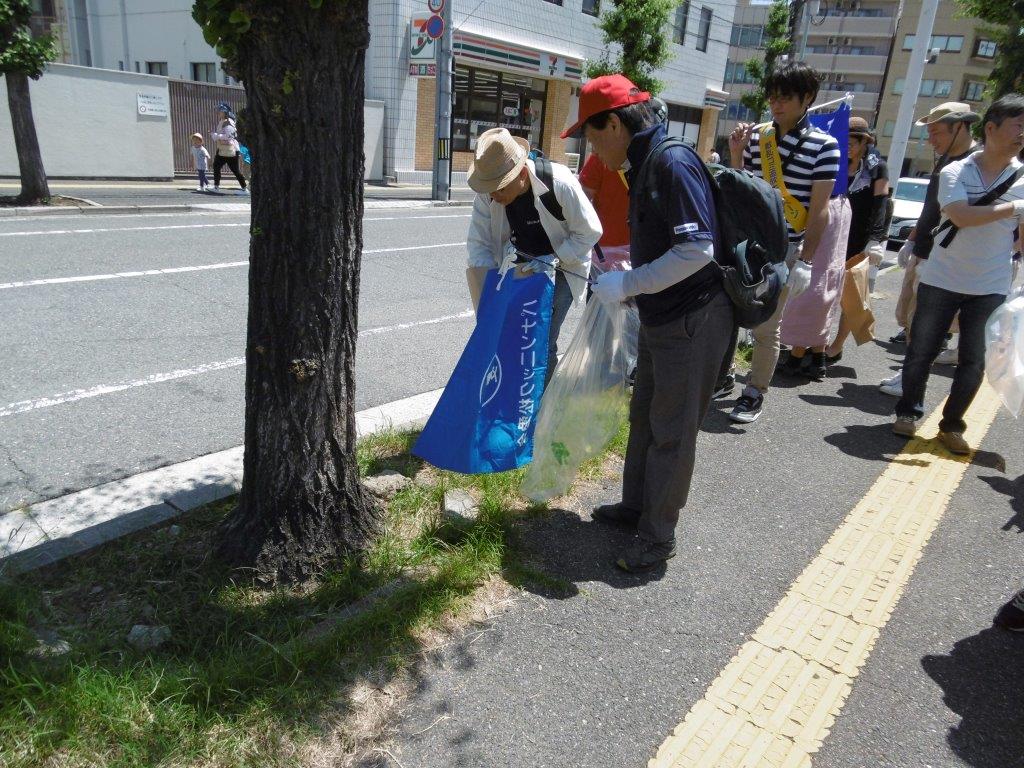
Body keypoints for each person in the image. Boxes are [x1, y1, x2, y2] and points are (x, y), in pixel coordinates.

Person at [571, 74, 734, 572]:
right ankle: (636, 507)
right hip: (663, 315)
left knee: (672, 431)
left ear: (614, 124)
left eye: (592, 137)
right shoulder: (645, 161)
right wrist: (631, 282)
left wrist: (630, 282)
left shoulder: (671, 162)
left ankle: (658, 537)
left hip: (693, 318)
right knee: (644, 416)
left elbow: (697, 249)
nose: (592, 150)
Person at [892, 94, 1024, 454]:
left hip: (991, 285)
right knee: (921, 350)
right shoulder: (956, 171)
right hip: (942, 278)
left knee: (973, 360)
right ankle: (907, 412)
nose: (1022, 134)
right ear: (991, 128)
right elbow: (961, 215)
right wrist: (1014, 207)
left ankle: (952, 426)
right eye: (1018, 126)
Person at [726, 62, 842, 421]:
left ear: (807, 98)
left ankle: (754, 390)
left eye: (785, 98)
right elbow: (741, 187)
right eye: (773, 98)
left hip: (786, 248)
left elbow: (820, 210)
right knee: (730, 313)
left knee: (767, 324)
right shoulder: (757, 137)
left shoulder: (825, 146)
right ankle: (723, 375)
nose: (776, 105)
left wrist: (806, 260)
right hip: (748, 243)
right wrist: (736, 152)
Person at [465, 127, 601, 381]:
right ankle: (515, 391)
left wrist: (556, 258)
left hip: (564, 266)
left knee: (542, 339)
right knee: (513, 333)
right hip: (520, 264)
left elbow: (589, 231)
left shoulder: (559, 183)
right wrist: (488, 292)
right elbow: (479, 245)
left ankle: (540, 398)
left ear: (522, 173)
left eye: (500, 188)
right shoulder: (488, 193)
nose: (494, 194)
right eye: (490, 188)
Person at [880, 102, 981, 397]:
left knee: (926, 323)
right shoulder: (946, 158)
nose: (931, 140)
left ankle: (912, 382)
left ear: (959, 127)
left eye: (936, 132)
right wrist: (912, 239)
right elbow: (931, 208)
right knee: (912, 318)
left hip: (944, 257)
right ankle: (909, 373)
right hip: (924, 250)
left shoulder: (975, 164)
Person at [824, 117, 889, 364]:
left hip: (861, 239)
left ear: (865, 142)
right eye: (844, 142)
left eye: (851, 143)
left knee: (851, 296)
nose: (847, 148)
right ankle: (817, 341)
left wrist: (875, 239)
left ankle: (837, 345)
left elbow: (881, 204)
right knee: (826, 292)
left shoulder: (877, 168)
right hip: (834, 235)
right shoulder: (835, 163)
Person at [210, 103, 249, 196]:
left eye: (220, 111)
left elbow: (229, 136)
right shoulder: (223, 121)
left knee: (233, 169)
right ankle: (216, 186)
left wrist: (216, 135)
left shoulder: (228, 122)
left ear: (225, 112)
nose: (218, 113)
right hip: (224, 149)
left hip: (230, 149)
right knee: (217, 166)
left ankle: (244, 189)